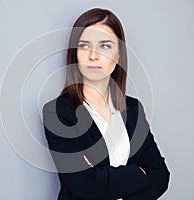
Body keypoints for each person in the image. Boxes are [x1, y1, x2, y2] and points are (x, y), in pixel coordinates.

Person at [43, 8, 170, 200]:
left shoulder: (134, 109)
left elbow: (160, 176)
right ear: (75, 54)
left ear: (119, 55)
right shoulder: (58, 112)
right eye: (85, 46)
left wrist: (105, 182)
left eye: (104, 46)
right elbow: (84, 187)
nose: (93, 56)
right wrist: (137, 173)